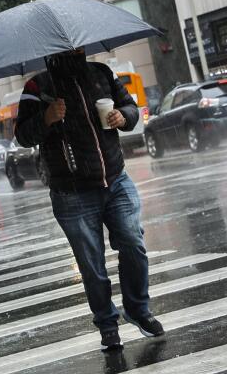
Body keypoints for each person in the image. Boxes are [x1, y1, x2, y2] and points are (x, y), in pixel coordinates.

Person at [14, 49, 164, 352]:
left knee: (133, 243)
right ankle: (107, 325)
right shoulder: (37, 87)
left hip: (115, 179)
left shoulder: (101, 74)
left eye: (78, 44)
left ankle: (137, 309)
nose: (76, 49)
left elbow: (131, 108)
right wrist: (46, 118)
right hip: (72, 192)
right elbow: (23, 136)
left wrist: (124, 116)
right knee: (92, 265)